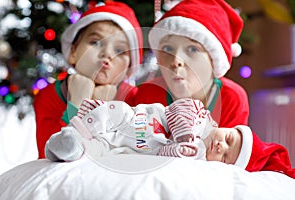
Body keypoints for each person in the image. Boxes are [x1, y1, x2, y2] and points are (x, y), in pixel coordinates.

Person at [45, 98, 295, 178]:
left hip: (130, 148)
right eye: (229, 138)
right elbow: (180, 108)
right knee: (114, 112)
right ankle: (75, 133)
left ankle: (69, 149)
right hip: (135, 121)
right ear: (228, 127)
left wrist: (175, 153)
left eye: (226, 156)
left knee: (100, 151)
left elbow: (161, 157)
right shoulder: (202, 118)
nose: (221, 145)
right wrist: (185, 134)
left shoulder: (198, 162)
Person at [33, 1, 143, 158]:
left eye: (120, 50)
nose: (107, 54)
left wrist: (105, 111)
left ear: (128, 68)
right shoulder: (47, 96)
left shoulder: (135, 98)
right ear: (73, 52)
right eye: (95, 42)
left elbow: (137, 153)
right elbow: (50, 157)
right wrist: (77, 103)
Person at [134, 0, 249, 128]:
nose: (176, 60)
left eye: (193, 49)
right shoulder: (147, 94)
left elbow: (228, 146)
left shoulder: (231, 98)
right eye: (167, 49)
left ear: (213, 60)